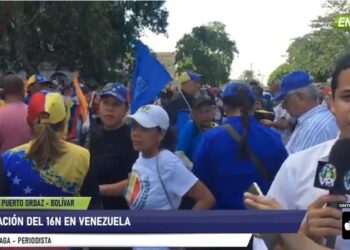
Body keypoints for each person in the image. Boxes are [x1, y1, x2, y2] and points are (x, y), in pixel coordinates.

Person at [252, 52, 350, 250]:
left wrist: (299, 240)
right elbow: (262, 242)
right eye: (348, 97)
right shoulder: (297, 166)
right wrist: (304, 233)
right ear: (331, 103)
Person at [99, 104, 215, 210]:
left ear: (161, 134)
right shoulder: (142, 156)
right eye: (134, 127)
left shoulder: (168, 163)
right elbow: (137, 184)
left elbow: (206, 199)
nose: (135, 133)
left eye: (144, 129)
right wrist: (99, 190)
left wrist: (182, 228)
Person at [193, 83, 288, 209]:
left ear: (225, 107)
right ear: (253, 105)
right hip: (262, 219)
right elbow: (285, 179)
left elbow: (199, 180)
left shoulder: (211, 138)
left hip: (221, 220)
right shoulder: (272, 137)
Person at [0, 91, 100, 208]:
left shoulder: (8, 159)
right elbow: (94, 209)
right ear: (64, 122)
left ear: (29, 122)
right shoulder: (83, 157)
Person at [88, 82, 138, 210]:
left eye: (116, 104)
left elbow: (135, 183)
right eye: (106, 102)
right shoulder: (93, 132)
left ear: (126, 109)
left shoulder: (133, 138)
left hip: (118, 211)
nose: (110, 108)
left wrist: (97, 190)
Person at [274, 70, 338, 154]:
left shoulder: (313, 127)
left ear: (299, 97)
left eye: (285, 101)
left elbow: (294, 166)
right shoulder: (317, 119)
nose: (283, 106)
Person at [176, 94, 217, 162]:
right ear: (194, 113)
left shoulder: (216, 128)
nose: (204, 115)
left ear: (214, 111)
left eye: (207, 111)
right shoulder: (190, 128)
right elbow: (179, 154)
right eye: (200, 112)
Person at [0, 75, 31, 154]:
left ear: (3, 93)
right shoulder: (33, 113)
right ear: (23, 91)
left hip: (5, 164)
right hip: (31, 163)